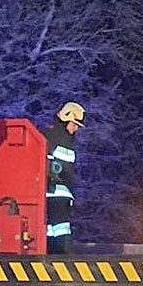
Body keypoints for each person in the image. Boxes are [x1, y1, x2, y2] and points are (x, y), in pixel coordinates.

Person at [43, 102, 85, 254]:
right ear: (66, 120)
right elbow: (65, 171)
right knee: (61, 229)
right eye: (74, 124)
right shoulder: (59, 139)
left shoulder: (49, 135)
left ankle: (53, 255)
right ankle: (63, 256)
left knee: (51, 229)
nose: (76, 129)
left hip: (53, 194)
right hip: (56, 194)